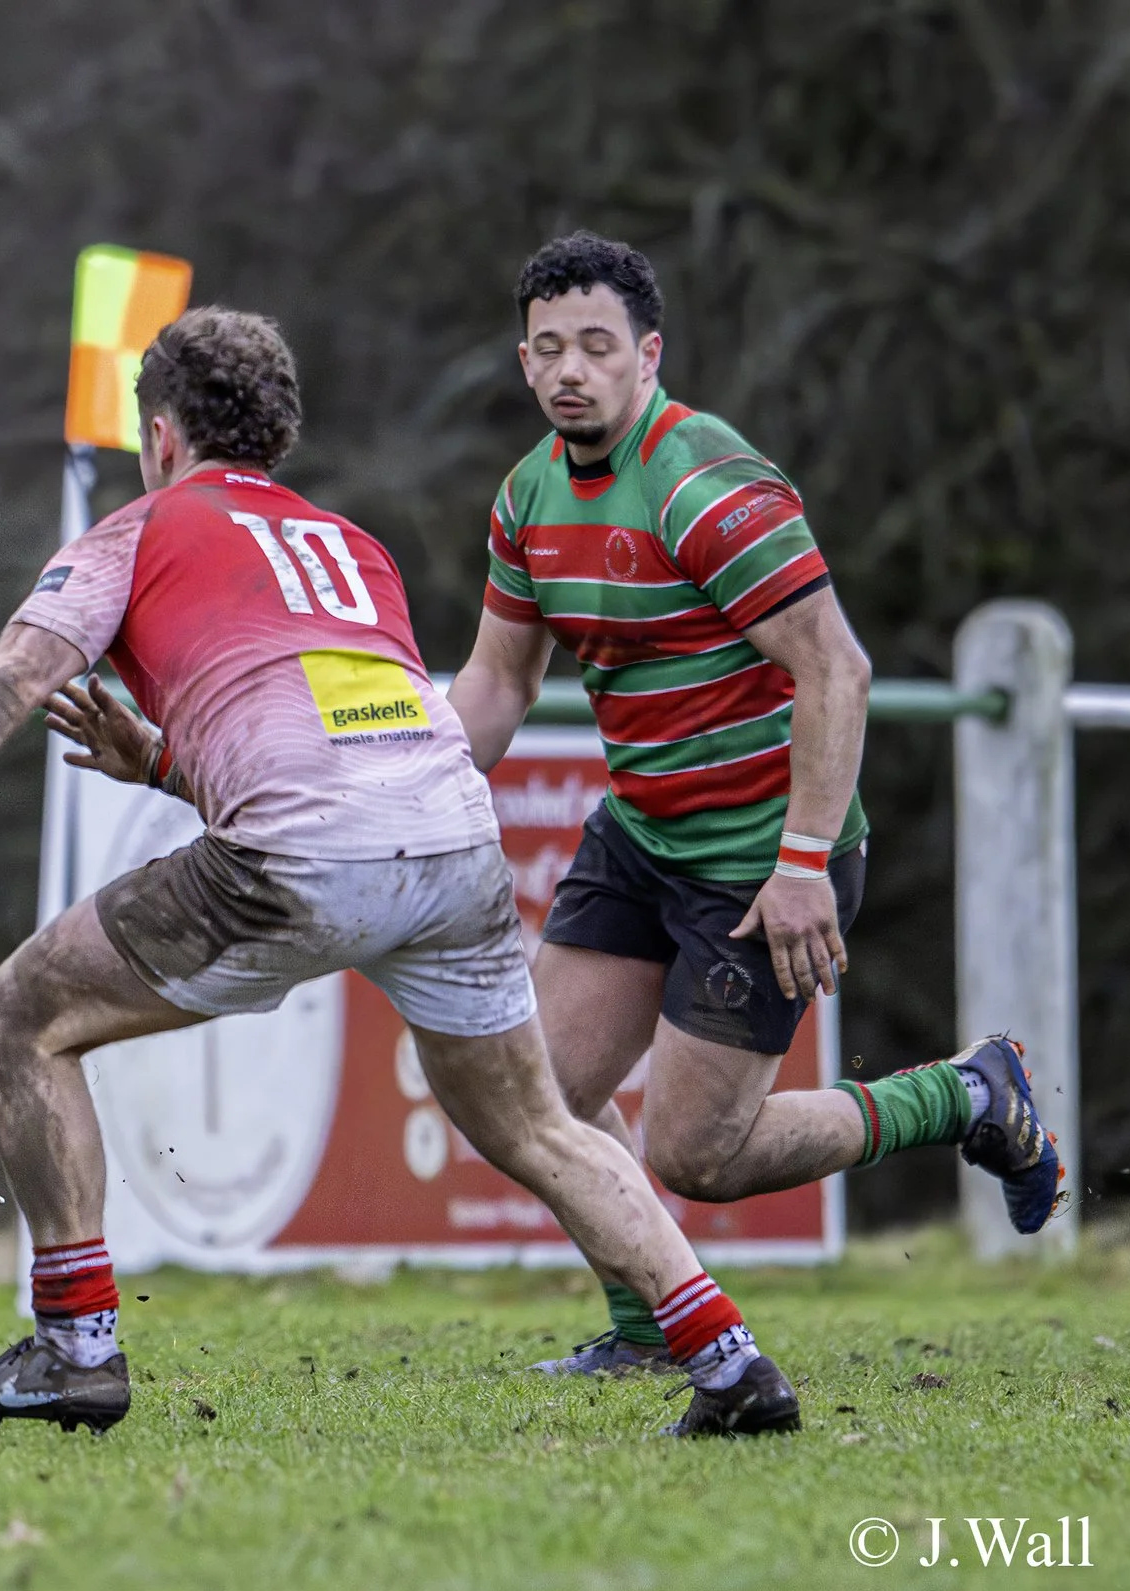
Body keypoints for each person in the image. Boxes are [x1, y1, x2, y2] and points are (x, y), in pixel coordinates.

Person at [0, 306, 801, 1437]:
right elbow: (332, 748)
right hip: (456, 846)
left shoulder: (137, 529)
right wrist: (162, 763)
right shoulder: (352, 548)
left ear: (161, 437)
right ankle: (730, 1361)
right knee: (538, 1125)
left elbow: (4, 679)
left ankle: (75, 1351)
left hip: (301, 858)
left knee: (16, 1021)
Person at [447, 232, 1064, 1374]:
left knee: (700, 1155)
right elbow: (496, 684)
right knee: (534, 1099)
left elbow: (838, 669)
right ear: (523, 360)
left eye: (597, 345)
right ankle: (649, 1327)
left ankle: (962, 1096)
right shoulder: (528, 494)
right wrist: (404, 796)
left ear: (649, 354)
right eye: (549, 348)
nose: (571, 369)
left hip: (757, 859)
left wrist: (801, 863)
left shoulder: (704, 484)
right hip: (641, 836)